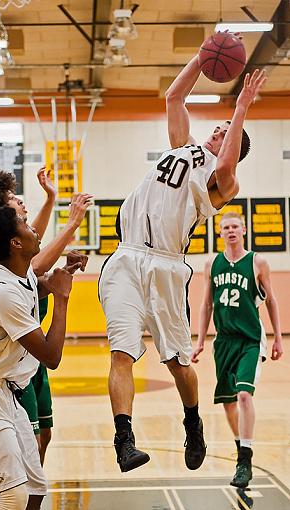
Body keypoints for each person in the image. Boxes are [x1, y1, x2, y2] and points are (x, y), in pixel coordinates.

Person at [99, 51, 267, 473]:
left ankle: (192, 422)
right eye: (218, 126)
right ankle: (124, 440)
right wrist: (201, 55)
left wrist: (241, 107)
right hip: (125, 257)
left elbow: (227, 159)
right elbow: (175, 98)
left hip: (166, 266)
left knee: (177, 363)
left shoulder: (222, 181)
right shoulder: (183, 149)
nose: (217, 130)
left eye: (225, 131)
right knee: (121, 352)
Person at [0, 169, 90, 509]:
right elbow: (52, 354)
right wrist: (72, 224)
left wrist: (60, 275)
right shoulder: (2, 272)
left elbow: (37, 270)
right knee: (13, 490)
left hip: (18, 370)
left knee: (33, 484)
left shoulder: (15, 261)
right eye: (13, 200)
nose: (20, 202)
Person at [191, 212, 283, 488]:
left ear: (243, 230)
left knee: (244, 394)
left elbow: (272, 302)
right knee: (229, 401)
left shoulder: (257, 262)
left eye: (235, 226)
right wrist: (199, 340)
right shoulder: (212, 264)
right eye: (226, 227)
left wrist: (278, 337)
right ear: (220, 232)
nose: (231, 230)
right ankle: (241, 445)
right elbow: (206, 304)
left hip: (251, 340)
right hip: (224, 341)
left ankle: (244, 458)